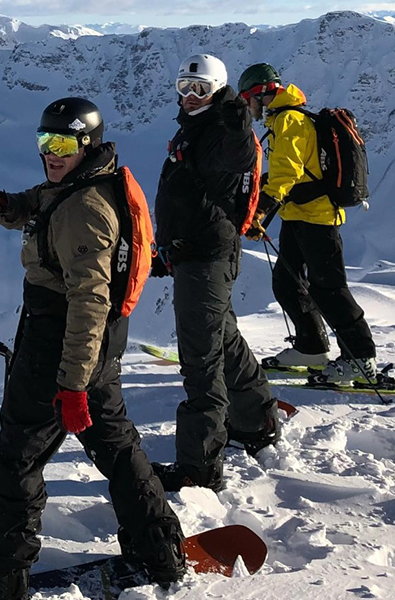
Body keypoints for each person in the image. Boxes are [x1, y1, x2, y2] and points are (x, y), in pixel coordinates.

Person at [0, 97, 186, 600]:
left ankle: (2, 581)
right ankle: (159, 549)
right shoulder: (87, 182)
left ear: (88, 144)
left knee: (16, 461)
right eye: (45, 142)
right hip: (97, 352)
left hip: (60, 350)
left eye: (62, 144)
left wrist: (71, 385)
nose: (51, 154)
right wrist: (8, 207)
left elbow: (89, 302)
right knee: (118, 448)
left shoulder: (85, 209)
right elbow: (45, 199)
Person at [151, 54, 280, 494]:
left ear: (217, 90)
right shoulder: (195, 126)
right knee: (223, 342)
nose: (189, 97)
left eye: (199, 89)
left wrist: (239, 125)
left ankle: (199, 466)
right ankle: (257, 420)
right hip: (194, 254)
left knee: (201, 361)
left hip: (207, 259)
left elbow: (240, 157)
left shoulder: (224, 127)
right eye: (183, 87)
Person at [238, 63, 377, 384]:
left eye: (248, 99)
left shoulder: (290, 121)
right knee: (287, 284)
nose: (248, 107)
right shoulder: (284, 119)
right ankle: (312, 347)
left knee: (329, 289)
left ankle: (361, 357)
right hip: (298, 215)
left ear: (261, 94)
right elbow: (290, 172)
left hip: (318, 219)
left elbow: (287, 172)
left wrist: (260, 211)